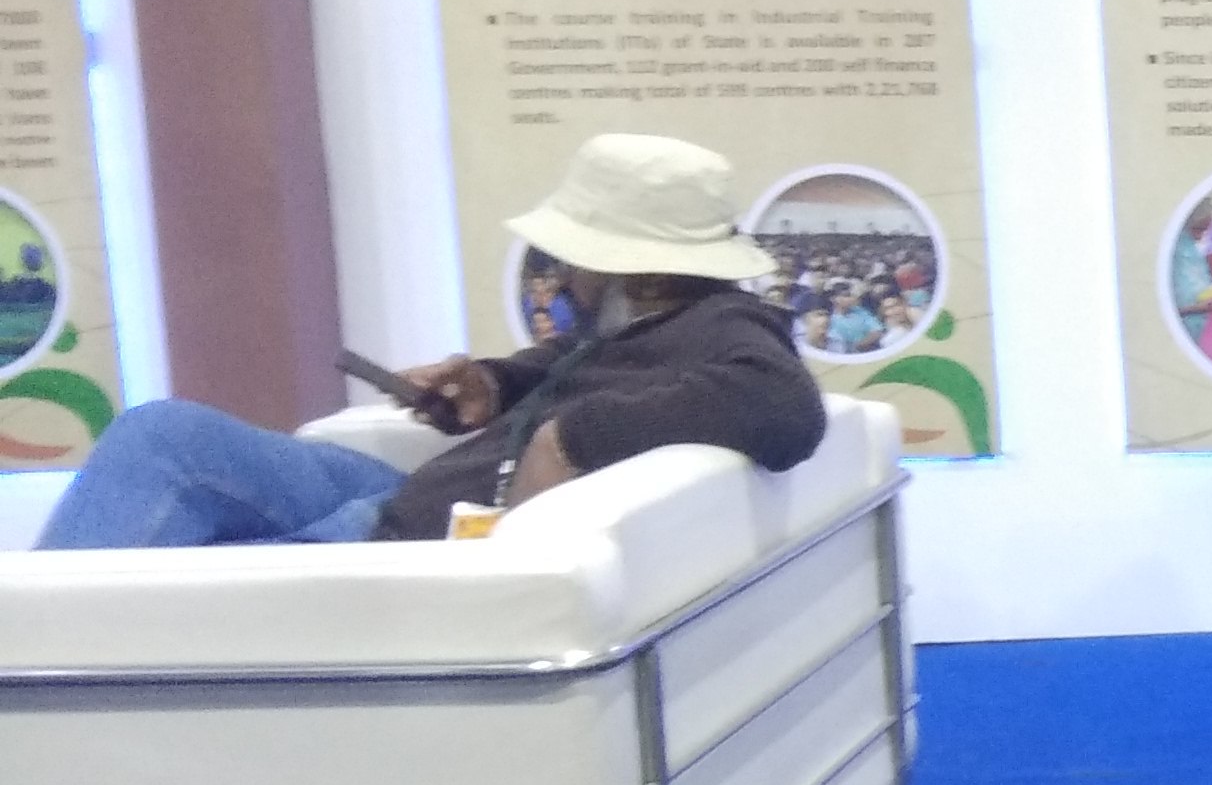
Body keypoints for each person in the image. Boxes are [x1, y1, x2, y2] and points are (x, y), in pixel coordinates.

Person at [40, 132, 827, 549]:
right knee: (163, 434)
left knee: (181, 572)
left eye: (577, 255)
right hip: (407, 496)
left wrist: (569, 437)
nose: (562, 270)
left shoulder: (728, 326)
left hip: (406, 541)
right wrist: (496, 382)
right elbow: (583, 368)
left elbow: (786, 406)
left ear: (639, 270)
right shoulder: (642, 321)